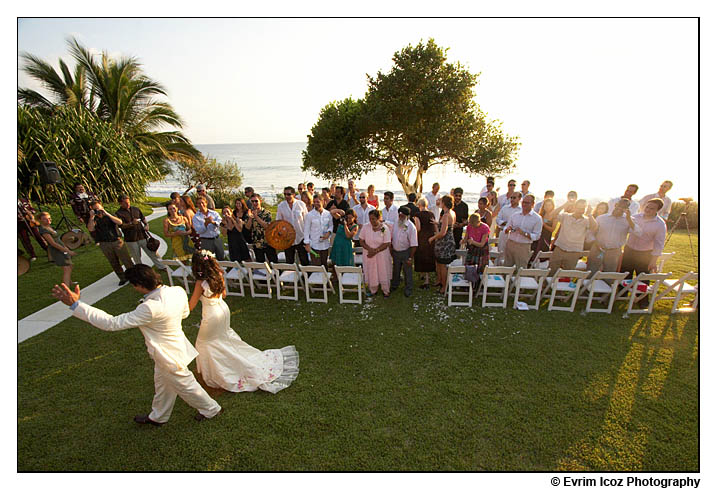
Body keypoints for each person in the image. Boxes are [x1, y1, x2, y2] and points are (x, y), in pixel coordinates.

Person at [51, 264, 223, 425]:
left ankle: (211, 409)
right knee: (162, 384)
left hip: (168, 355)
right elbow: (185, 313)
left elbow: (111, 323)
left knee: (186, 385)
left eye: (134, 285)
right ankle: (158, 416)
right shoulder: (176, 291)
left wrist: (76, 305)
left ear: (140, 285)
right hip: (176, 348)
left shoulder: (149, 307)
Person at [189, 251, 299, 393]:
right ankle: (223, 366)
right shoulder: (219, 275)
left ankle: (217, 373)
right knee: (221, 339)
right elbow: (224, 294)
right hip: (223, 309)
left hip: (211, 315)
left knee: (203, 343)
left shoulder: (200, 283)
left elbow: (191, 305)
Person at [88, 200, 135, 285]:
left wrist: (107, 214)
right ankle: (122, 277)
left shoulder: (109, 215)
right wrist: (91, 217)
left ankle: (133, 276)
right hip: (104, 243)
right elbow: (91, 229)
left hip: (116, 241)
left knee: (126, 260)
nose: (97, 211)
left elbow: (120, 222)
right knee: (113, 262)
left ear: (101, 207)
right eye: (95, 209)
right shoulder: (93, 219)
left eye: (98, 208)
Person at [587, 198, 639, 273]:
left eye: (624, 207)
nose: (621, 209)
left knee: (609, 275)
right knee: (591, 272)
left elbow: (638, 233)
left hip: (614, 252)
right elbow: (591, 232)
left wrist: (629, 219)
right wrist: (595, 242)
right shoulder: (602, 218)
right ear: (616, 205)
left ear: (627, 209)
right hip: (597, 249)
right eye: (619, 206)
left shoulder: (629, 220)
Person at [547, 199, 596, 275]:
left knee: (567, 275)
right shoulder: (566, 216)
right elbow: (551, 215)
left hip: (574, 252)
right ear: (575, 207)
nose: (580, 210)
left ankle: (561, 287)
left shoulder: (586, 220)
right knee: (551, 271)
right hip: (560, 248)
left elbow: (594, 227)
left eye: (583, 208)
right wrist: (564, 205)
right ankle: (548, 286)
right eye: (579, 208)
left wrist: (590, 214)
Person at [116, 195, 166, 269]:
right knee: (136, 257)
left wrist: (146, 225)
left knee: (152, 253)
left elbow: (143, 218)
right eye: (125, 203)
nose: (128, 204)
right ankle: (141, 271)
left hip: (142, 236)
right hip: (131, 239)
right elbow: (121, 226)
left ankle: (162, 266)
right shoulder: (118, 213)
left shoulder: (136, 209)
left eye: (128, 202)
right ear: (120, 203)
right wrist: (131, 224)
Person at [622, 198, 667, 277]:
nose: (648, 210)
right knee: (625, 276)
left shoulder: (660, 224)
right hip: (629, 251)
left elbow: (659, 244)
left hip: (645, 254)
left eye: (652, 208)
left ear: (657, 210)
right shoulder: (635, 217)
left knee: (643, 278)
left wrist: (653, 261)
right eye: (647, 207)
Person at [503, 195, 543, 269]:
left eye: (527, 203)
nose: (524, 204)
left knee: (520, 269)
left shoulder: (537, 218)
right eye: (523, 202)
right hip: (511, 243)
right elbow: (506, 227)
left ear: (533, 204)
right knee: (506, 267)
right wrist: (507, 229)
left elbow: (537, 236)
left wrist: (524, 233)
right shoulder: (515, 215)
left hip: (523, 246)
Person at [359, 209, 392, 298]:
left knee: (383, 270)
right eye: (370, 219)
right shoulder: (366, 227)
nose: (371, 221)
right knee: (372, 271)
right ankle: (373, 289)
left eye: (373, 219)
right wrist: (370, 249)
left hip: (382, 254)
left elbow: (387, 243)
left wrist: (376, 251)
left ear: (378, 218)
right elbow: (361, 240)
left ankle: (386, 290)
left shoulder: (384, 228)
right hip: (369, 253)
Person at [38, 211, 76, 287]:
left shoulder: (49, 227)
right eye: (45, 219)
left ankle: (69, 281)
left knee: (69, 265)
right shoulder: (43, 230)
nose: (48, 220)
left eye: (49, 218)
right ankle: (66, 287)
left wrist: (65, 247)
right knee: (67, 268)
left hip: (61, 247)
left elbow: (57, 239)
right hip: (56, 250)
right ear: (40, 220)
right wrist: (67, 251)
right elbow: (53, 243)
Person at [429, 195, 456, 294]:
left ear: (444, 203)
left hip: (444, 243)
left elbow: (443, 233)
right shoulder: (452, 213)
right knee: (439, 263)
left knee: (443, 264)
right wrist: (437, 223)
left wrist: (433, 238)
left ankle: (444, 286)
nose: (439, 202)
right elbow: (449, 226)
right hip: (449, 241)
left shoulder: (445, 215)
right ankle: (439, 280)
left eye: (441, 201)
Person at [390, 206, 418, 297]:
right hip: (395, 251)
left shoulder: (411, 227)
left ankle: (408, 289)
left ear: (407, 216)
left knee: (407, 272)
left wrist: (410, 257)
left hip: (406, 252)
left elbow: (414, 244)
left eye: (402, 216)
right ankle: (394, 285)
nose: (400, 217)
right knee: (396, 270)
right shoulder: (395, 223)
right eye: (399, 215)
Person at [276, 186, 309, 265]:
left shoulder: (301, 204)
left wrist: (307, 237)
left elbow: (306, 221)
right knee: (289, 260)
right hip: (288, 238)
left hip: (301, 236)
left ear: (294, 194)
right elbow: (278, 221)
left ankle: (306, 275)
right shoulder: (281, 206)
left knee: (304, 259)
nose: (286, 196)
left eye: (288, 194)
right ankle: (291, 276)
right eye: (285, 194)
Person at [245, 194, 278, 263]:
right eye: (252, 201)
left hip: (268, 242)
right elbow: (247, 227)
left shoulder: (266, 213)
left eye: (256, 201)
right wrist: (251, 218)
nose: (254, 203)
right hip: (257, 243)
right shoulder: (249, 213)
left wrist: (256, 217)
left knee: (273, 262)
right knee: (260, 264)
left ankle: (276, 273)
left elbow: (267, 226)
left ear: (260, 201)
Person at [303, 194, 333, 268]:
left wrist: (328, 233)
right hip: (314, 246)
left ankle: (325, 279)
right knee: (317, 267)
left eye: (318, 202)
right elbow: (306, 231)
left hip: (325, 245)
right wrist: (307, 243)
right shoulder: (309, 215)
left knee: (324, 265)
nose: (316, 203)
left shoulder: (328, 214)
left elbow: (331, 226)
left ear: (323, 202)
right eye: (314, 202)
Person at [413, 197, 437, 288]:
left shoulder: (417, 215)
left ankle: (425, 279)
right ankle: (426, 277)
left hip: (422, 237)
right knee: (429, 257)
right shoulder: (431, 214)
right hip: (430, 237)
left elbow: (418, 228)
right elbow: (434, 227)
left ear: (419, 205)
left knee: (422, 257)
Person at [192, 196, 225, 260]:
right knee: (207, 260)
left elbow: (220, 223)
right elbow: (199, 231)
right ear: (197, 205)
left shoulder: (214, 213)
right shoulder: (196, 217)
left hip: (217, 239)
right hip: (205, 240)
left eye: (202, 203)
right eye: (199, 203)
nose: (201, 205)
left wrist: (212, 222)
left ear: (206, 203)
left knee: (221, 257)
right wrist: (205, 224)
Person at [17, 196, 47, 261]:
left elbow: (31, 208)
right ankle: (32, 254)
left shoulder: (23, 200)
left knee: (37, 236)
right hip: (20, 224)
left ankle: (47, 249)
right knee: (25, 239)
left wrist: (32, 212)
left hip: (30, 222)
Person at [496, 192, 522, 263]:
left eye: (514, 198)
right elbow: (498, 219)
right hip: (503, 232)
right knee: (501, 252)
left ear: (519, 199)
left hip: (514, 234)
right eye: (511, 197)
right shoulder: (505, 208)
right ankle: (498, 270)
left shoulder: (521, 210)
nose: (512, 199)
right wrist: (506, 223)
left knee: (510, 254)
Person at [529, 198, 556, 264]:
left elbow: (552, 229)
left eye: (549, 205)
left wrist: (544, 224)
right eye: (546, 205)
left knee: (542, 254)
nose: (547, 207)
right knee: (534, 251)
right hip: (538, 236)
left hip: (546, 237)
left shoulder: (554, 216)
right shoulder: (540, 215)